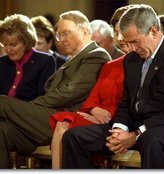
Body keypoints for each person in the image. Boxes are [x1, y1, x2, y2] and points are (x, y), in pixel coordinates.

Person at [61, 4, 164, 169]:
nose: (132, 49)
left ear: (154, 31)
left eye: (135, 42)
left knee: (151, 139)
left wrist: (136, 134)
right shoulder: (132, 59)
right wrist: (118, 130)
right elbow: (126, 103)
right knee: (74, 136)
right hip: (136, 128)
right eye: (128, 43)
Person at [0, 10, 111, 168]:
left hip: (67, 119)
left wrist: (31, 106)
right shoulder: (74, 58)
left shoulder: (95, 55)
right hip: (49, 117)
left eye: (66, 33)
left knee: (1, 102)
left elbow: (70, 92)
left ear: (84, 31)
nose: (61, 40)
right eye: (59, 35)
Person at [49, 6, 133, 168]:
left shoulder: (140, 66)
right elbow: (92, 98)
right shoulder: (110, 65)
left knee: (65, 125)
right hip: (96, 116)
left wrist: (106, 115)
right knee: (62, 122)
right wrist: (94, 110)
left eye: (122, 32)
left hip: (116, 121)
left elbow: (129, 104)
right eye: (116, 33)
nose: (120, 38)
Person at [0, 14, 56, 101]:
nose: (7, 49)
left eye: (13, 45)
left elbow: (43, 100)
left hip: (30, 112)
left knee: (0, 101)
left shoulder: (45, 62)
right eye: (5, 45)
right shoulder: (1, 63)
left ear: (26, 42)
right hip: (3, 112)